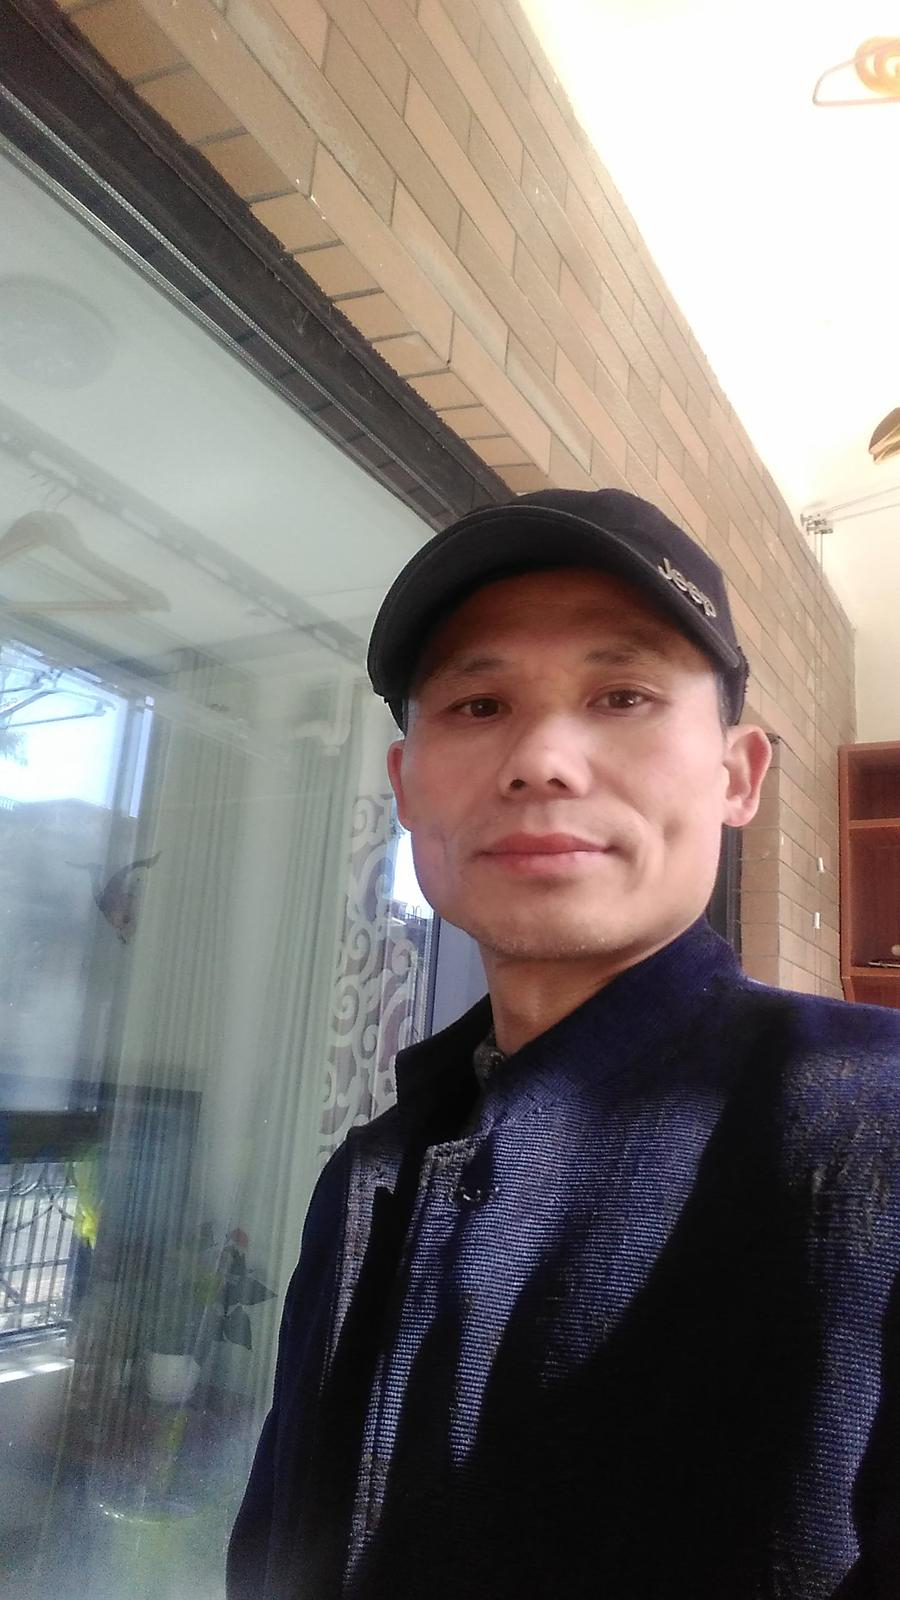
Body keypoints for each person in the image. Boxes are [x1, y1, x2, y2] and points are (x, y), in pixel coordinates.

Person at [228, 488, 900, 1599]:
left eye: (622, 695)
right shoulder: (368, 1176)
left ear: (738, 774)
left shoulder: (871, 1124)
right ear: (405, 786)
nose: (541, 758)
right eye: (479, 704)